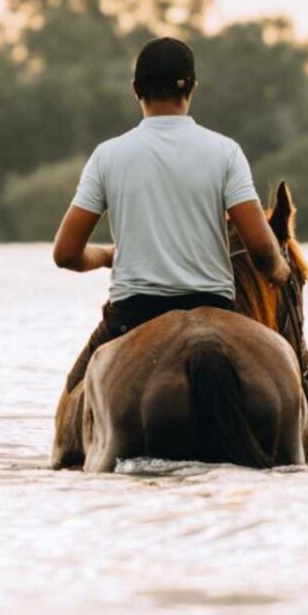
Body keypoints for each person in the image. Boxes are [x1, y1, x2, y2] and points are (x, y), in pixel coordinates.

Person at [53, 36, 290, 401]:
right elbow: (260, 246)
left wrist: (104, 255)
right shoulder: (225, 152)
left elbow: (65, 253)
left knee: (72, 401)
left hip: (133, 316)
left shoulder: (108, 156)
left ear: (136, 90)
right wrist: (277, 268)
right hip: (215, 309)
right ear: (192, 87)